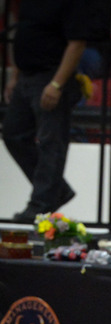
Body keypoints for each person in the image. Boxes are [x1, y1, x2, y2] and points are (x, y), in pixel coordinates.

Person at [3, 1, 93, 222]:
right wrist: (15, 75)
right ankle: (56, 190)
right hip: (27, 75)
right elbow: (23, 34)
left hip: (50, 75)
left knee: (51, 141)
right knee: (13, 134)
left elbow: (77, 43)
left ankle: (42, 204)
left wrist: (56, 84)